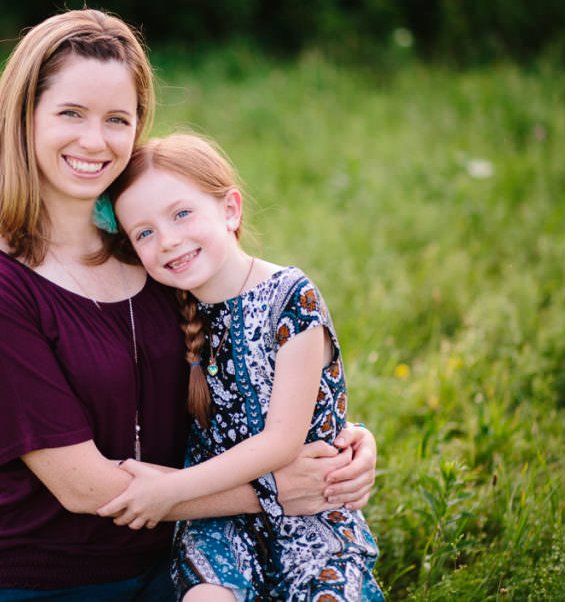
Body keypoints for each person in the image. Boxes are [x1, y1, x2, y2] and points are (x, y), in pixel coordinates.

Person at [0, 8, 378, 602]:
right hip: (42, 577)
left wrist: (339, 438)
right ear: (24, 118)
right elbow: (86, 490)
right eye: (70, 113)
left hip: (179, 558)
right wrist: (282, 487)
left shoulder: (156, 255)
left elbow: (247, 367)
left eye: (117, 119)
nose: (94, 141)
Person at [101, 133, 383, 601]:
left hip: (311, 512)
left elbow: (280, 443)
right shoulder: (165, 313)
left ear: (230, 209)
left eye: (182, 213)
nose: (169, 241)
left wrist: (169, 491)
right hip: (220, 521)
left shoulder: (292, 300)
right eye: (145, 232)